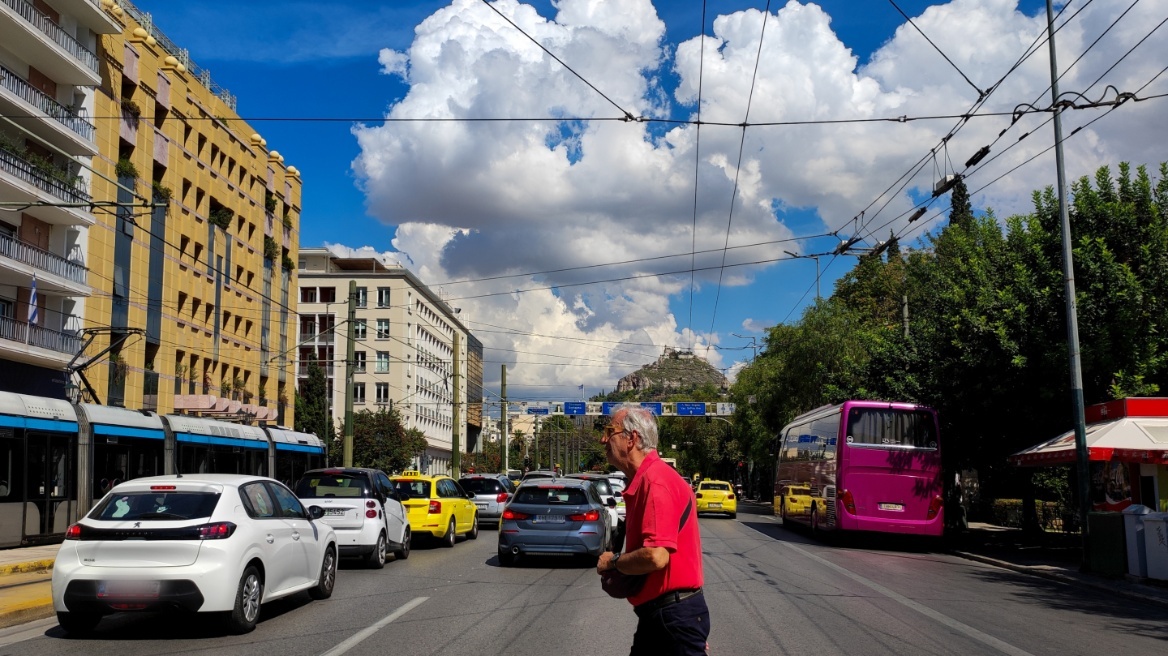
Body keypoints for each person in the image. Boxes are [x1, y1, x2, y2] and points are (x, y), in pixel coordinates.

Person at [596, 404, 710, 655]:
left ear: (631, 438)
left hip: (672, 617)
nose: (603, 439)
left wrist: (613, 562)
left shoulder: (656, 481)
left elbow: (656, 556)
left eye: (609, 431)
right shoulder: (649, 478)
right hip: (666, 617)